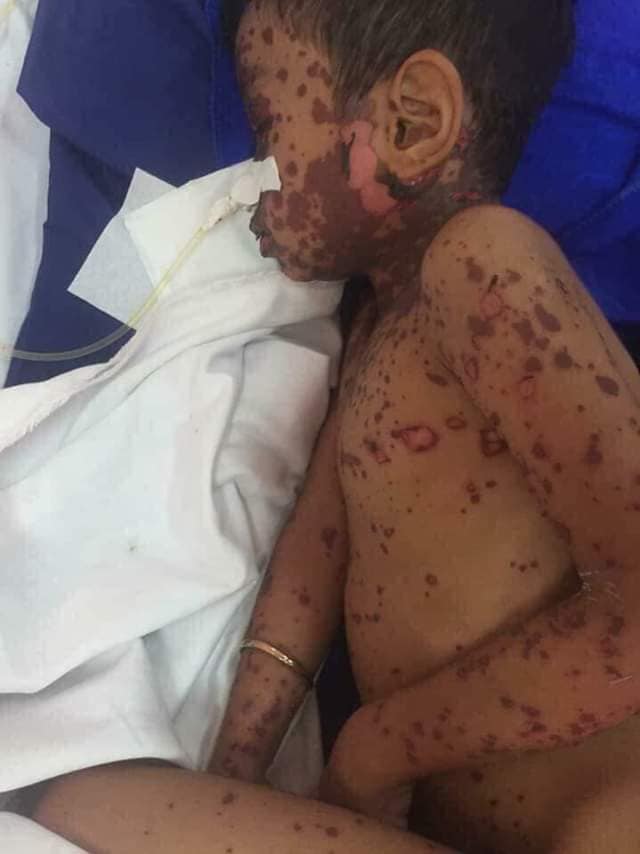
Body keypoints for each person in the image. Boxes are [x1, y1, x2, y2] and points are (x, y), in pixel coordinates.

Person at [206, 1, 640, 853]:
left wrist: (376, 749)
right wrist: (232, 770)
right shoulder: (378, 329)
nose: (249, 182)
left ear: (411, 125)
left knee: (75, 804)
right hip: (446, 826)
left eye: (265, 130)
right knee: (85, 806)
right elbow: (307, 571)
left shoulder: (481, 264)